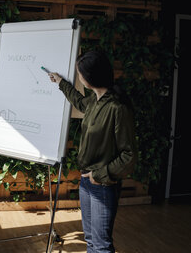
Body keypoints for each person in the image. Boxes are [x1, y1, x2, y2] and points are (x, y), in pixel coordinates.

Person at [48, 50, 136, 253]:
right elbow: (79, 101)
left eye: (80, 73)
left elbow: (129, 156)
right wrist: (61, 82)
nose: (78, 76)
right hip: (86, 180)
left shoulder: (117, 108)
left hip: (102, 184)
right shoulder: (95, 101)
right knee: (91, 240)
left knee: (101, 245)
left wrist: (99, 176)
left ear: (90, 78)